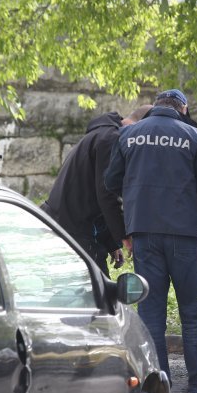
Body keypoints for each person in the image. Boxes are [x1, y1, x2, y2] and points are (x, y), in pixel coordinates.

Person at [104, 89, 197, 393]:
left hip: (144, 234)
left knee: (151, 312)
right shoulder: (194, 137)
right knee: (192, 312)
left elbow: (110, 182)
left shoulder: (129, 136)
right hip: (185, 236)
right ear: (182, 109)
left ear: (155, 107)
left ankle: (159, 388)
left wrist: (134, 202)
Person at [42, 105, 152, 277]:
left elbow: (95, 194)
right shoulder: (111, 140)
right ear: (142, 126)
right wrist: (124, 237)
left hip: (66, 224)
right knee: (99, 295)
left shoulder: (102, 135)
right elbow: (107, 194)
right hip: (74, 230)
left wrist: (111, 243)